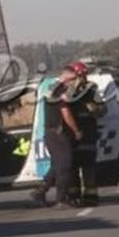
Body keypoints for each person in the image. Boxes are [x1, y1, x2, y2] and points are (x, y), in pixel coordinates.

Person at [32, 66, 84, 208]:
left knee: (56, 165)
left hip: (52, 133)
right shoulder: (60, 89)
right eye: (73, 79)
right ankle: (61, 199)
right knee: (64, 166)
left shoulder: (51, 87)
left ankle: (40, 191)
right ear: (67, 77)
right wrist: (76, 130)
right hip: (58, 133)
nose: (74, 82)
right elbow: (65, 111)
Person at [68, 62, 106, 207]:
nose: (82, 78)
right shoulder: (66, 90)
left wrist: (95, 109)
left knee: (88, 166)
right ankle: (73, 195)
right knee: (72, 167)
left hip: (88, 131)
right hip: (72, 133)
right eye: (79, 75)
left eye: (84, 74)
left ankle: (91, 196)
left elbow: (103, 109)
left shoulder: (92, 90)